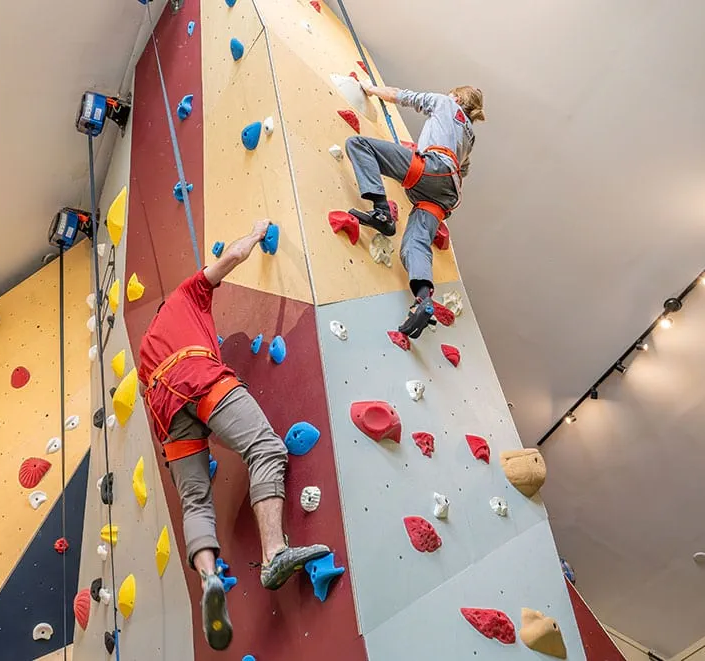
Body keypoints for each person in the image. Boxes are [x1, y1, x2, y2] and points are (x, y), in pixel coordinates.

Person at [137, 219, 331, 651]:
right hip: (197, 375)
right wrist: (258, 231)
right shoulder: (186, 296)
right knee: (265, 448)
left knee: (195, 501)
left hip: (165, 413)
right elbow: (231, 258)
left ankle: (208, 576)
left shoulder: (146, 352)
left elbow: (169, 414)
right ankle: (273, 553)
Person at [344, 84, 485, 338]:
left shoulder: (445, 102)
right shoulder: (470, 136)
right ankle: (422, 300)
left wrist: (370, 89)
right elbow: (463, 171)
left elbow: (403, 96)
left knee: (359, 145)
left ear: (457, 97)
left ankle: (382, 211)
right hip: (446, 194)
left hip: (430, 170)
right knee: (415, 245)